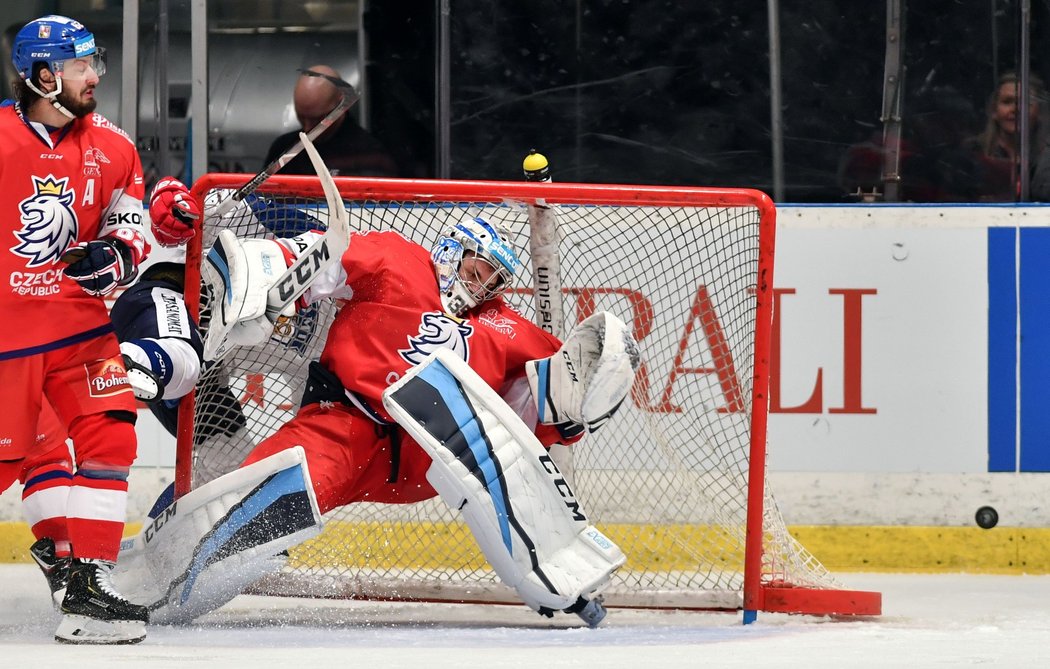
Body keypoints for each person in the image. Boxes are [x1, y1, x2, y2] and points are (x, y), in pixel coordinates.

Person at [125, 203, 638, 627]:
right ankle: (154, 581)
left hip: (425, 454)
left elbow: (553, 398)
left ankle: (557, 572)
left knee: (493, 442)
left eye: (494, 281)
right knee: (272, 490)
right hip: (344, 421)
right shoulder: (398, 259)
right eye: (476, 270)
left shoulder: (508, 329)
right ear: (451, 252)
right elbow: (325, 260)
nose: (481, 288)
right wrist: (274, 268)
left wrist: (583, 399)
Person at [261, 65, 400, 177]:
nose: (308, 128)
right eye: (302, 117)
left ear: (340, 106)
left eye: (318, 119)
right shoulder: (283, 150)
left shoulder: (370, 154)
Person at [965, 71, 1049, 202]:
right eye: (1007, 102)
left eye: (1026, 103)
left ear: (1039, 112)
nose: (1016, 109)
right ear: (994, 111)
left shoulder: (1045, 158)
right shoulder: (971, 153)